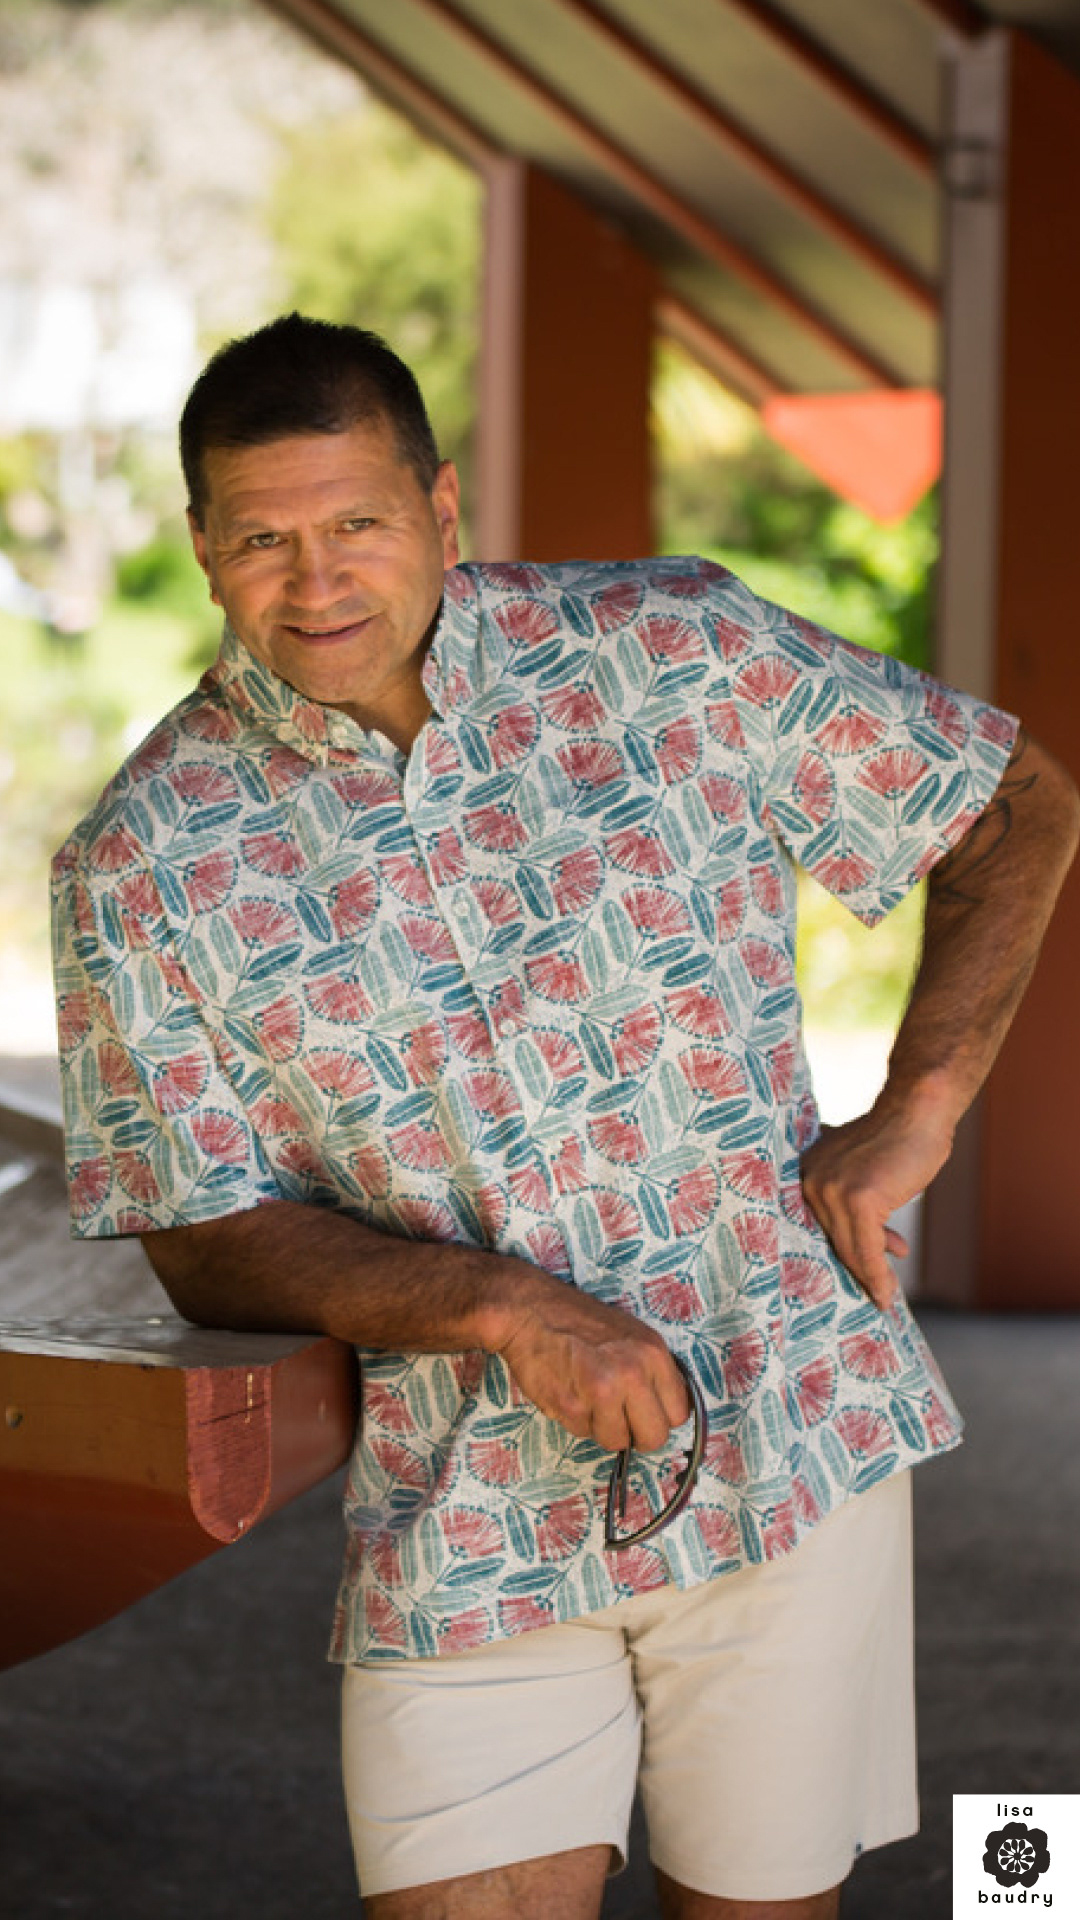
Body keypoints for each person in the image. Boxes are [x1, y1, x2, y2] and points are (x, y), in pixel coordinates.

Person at [51, 313, 1078, 1920]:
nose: (315, 581)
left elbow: (1010, 804)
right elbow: (196, 1231)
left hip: (784, 1433)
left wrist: (921, 1110)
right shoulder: (142, 861)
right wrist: (505, 1307)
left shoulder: (676, 650)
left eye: (357, 522)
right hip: (462, 1520)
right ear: (201, 545)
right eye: (261, 540)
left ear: (441, 505)